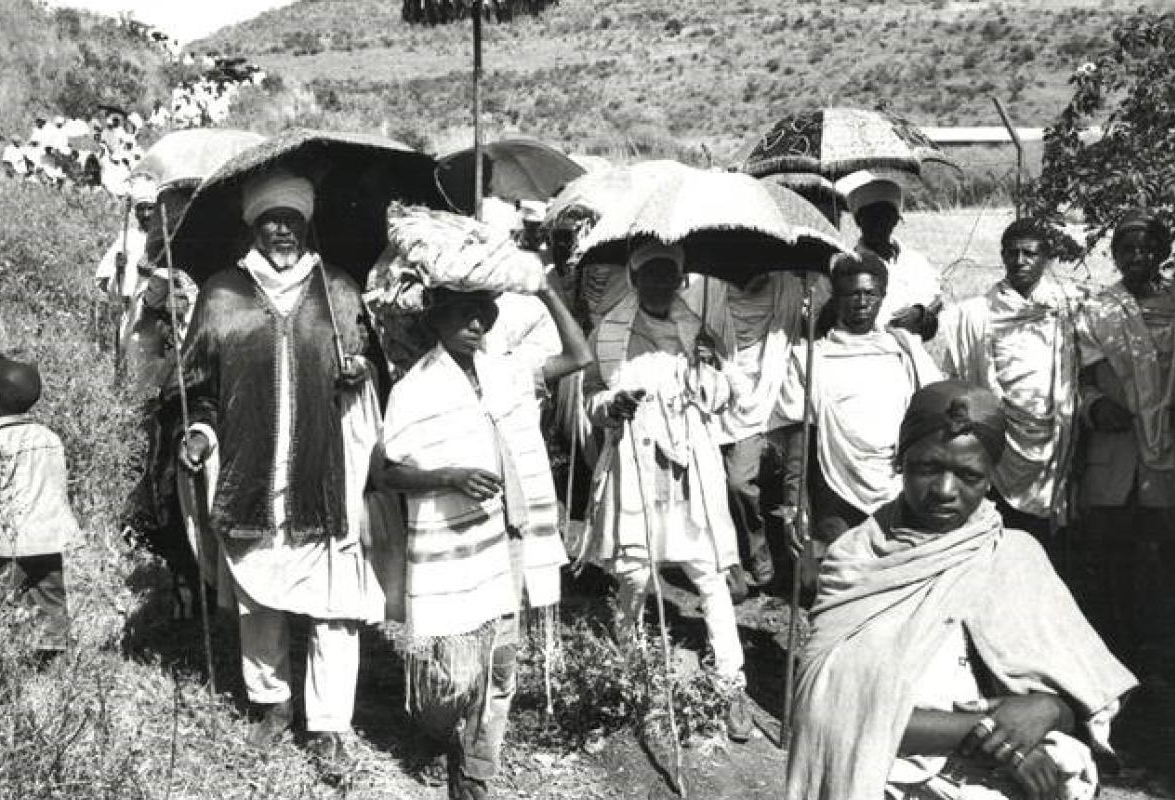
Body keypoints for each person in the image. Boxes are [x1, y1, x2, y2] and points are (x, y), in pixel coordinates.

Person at [785, 380, 1138, 800]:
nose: (945, 491)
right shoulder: (858, 562)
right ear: (902, 463)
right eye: (928, 467)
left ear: (990, 479)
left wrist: (1047, 710)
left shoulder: (1014, 558)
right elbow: (825, 711)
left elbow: (1081, 703)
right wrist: (990, 736)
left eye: (968, 475)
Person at [174, 168, 383, 764]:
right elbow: (196, 387)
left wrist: (359, 374)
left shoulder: (339, 289)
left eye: (292, 219)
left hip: (327, 473)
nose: (282, 229)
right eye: (271, 219)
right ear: (254, 224)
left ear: (308, 221)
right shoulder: (221, 295)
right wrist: (197, 429)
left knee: (335, 605)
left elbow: (371, 364)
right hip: (250, 471)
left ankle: (329, 725)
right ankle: (272, 703)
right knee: (258, 596)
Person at [375, 282, 590, 800]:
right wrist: (447, 476)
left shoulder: (504, 372)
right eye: (463, 315)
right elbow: (386, 474)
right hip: (451, 544)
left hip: (508, 533)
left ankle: (475, 767)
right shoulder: (416, 388)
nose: (476, 325)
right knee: (450, 674)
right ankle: (440, 731)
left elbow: (579, 354)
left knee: (501, 660)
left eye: (483, 315)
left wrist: (546, 290)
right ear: (436, 322)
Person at [576, 240, 754, 742]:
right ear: (634, 278)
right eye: (649, 275)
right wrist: (614, 405)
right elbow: (589, 397)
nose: (659, 284)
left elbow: (724, 399)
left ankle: (729, 682)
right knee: (634, 572)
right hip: (635, 460)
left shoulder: (700, 331)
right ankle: (624, 670)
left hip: (690, 466)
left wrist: (706, 368)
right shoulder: (609, 331)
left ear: (680, 280)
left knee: (710, 573)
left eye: (667, 275)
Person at [1071, 210, 1175, 676]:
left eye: (1147, 248)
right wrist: (1096, 407)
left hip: (1172, 452)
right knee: (1113, 553)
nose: (1137, 257)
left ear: (1162, 253)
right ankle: (1115, 651)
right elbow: (1076, 380)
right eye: (1127, 249)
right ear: (1115, 255)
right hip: (1115, 454)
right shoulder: (1095, 310)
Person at [769, 252, 943, 571]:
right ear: (835, 298)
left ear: (882, 297)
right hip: (837, 485)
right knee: (843, 573)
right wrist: (796, 505)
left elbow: (934, 409)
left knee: (896, 573)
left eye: (870, 293)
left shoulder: (904, 349)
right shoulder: (812, 357)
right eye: (852, 293)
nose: (861, 301)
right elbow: (798, 441)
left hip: (896, 482)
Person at [935, 218, 1086, 544]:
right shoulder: (974, 315)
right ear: (1003, 257)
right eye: (1012, 253)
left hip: (1053, 446)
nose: (1020, 261)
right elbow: (955, 380)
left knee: (1053, 543)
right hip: (997, 443)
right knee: (999, 534)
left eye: (1029, 253)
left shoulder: (1066, 309)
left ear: (1045, 258)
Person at [707, 271, 830, 595]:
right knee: (712, 489)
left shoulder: (787, 289)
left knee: (739, 483)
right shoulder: (707, 290)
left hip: (770, 396)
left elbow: (812, 330)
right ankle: (731, 566)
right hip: (718, 398)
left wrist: (811, 312)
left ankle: (760, 551)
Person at [0, 354, 83, 664]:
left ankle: (11, 657)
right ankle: (54, 657)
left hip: (13, 540)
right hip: (49, 535)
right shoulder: (49, 437)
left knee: (8, 596)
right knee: (50, 594)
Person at [835, 170, 944, 340]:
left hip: (913, 352)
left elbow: (935, 300)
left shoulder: (916, 262)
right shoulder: (849, 265)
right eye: (871, 216)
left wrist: (919, 313)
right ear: (858, 220)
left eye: (886, 215)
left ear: (896, 219)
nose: (879, 223)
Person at [94, 179, 157, 303]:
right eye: (141, 209)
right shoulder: (128, 238)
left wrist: (153, 273)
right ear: (135, 212)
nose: (146, 214)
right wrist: (119, 270)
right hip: (131, 310)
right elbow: (105, 283)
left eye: (150, 208)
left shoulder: (167, 239)